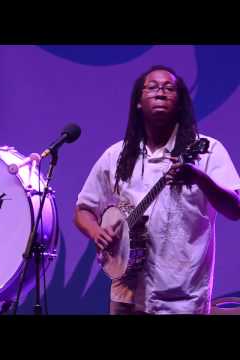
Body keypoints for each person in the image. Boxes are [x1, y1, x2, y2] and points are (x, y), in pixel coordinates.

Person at [74, 65, 240, 314]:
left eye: (169, 88)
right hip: (125, 293)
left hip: (180, 296)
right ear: (138, 102)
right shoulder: (117, 155)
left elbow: (235, 208)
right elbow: (83, 210)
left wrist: (199, 178)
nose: (160, 92)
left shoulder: (207, 151)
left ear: (180, 102)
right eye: (152, 87)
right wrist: (97, 233)